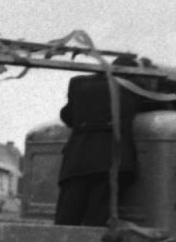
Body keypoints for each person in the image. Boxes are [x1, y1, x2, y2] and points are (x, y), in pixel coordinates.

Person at [55, 57, 163, 226]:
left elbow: (67, 116)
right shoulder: (133, 88)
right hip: (113, 163)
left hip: (78, 160)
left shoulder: (79, 84)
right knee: (96, 221)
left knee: (67, 218)